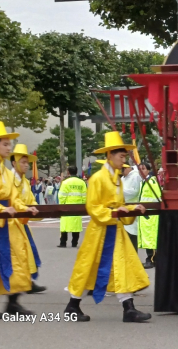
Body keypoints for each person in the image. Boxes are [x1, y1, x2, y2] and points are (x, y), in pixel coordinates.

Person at [63, 132, 150, 323]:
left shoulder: (117, 178)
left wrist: (131, 209)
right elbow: (93, 207)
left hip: (114, 229)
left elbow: (119, 204)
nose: (123, 160)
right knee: (89, 267)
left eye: (124, 156)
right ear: (110, 155)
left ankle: (129, 308)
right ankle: (72, 305)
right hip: (100, 231)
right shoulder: (97, 178)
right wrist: (117, 211)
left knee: (122, 266)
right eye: (121, 156)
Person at [0, 122, 39, 320]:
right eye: (5, 144)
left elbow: (14, 197)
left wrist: (24, 208)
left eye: (9, 144)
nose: (8, 148)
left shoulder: (5, 172)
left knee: (18, 259)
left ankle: (13, 301)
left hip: (7, 220)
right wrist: (2, 209)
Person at [9, 144, 47, 295]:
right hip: (10, 224)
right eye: (23, 162)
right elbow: (12, 200)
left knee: (27, 252)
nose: (26, 165)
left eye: (27, 163)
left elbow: (31, 200)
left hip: (22, 223)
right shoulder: (8, 179)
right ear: (14, 163)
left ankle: (27, 282)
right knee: (17, 255)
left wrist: (38, 210)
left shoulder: (25, 181)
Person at [138, 163, 161, 269]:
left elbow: (158, 197)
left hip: (151, 214)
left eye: (143, 169)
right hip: (146, 214)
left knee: (151, 239)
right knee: (148, 238)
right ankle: (151, 259)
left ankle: (151, 259)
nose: (141, 171)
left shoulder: (152, 182)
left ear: (148, 170)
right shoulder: (143, 182)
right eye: (140, 169)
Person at [57, 165, 86, 248]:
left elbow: (62, 196)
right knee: (76, 226)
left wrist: (61, 205)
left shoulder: (65, 182)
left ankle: (63, 243)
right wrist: (82, 205)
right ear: (76, 172)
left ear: (68, 172)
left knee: (64, 225)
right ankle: (74, 243)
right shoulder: (82, 182)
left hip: (67, 206)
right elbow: (85, 196)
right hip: (77, 207)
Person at [122, 163, 143, 252]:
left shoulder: (136, 176)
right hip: (123, 207)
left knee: (131, 234)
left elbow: (135, 192)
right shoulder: (123, 178)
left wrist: (119, 191)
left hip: (133, 207)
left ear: (127, 168)